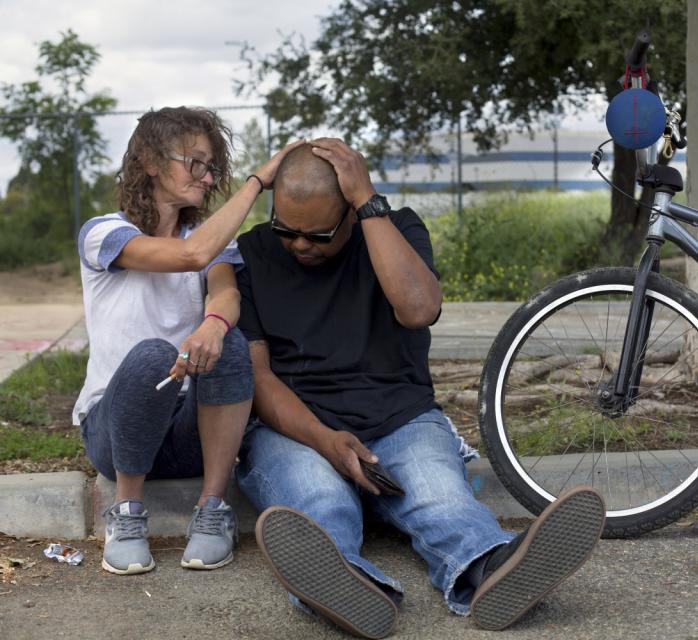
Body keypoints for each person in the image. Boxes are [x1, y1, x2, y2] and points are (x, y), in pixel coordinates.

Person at [234, 139, 606, 639]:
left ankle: (492, 568)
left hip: (398, 418)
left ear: (351, 210)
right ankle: (349, 588)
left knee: (441, 499)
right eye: (287, 230)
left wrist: (369, 201)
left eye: (318, 234)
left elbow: (417, 310)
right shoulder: (253, 253)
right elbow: (259, 378)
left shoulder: (396, 229)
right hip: (298, 429)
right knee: (320, 502)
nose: (299, 245)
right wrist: (328, 441)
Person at [73, 106, 301, 575]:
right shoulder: (104, 234)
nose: (206, 175)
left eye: (210, 165)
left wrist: (215, 323)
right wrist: (256, 183)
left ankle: (213, 510)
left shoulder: (209, 239)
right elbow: (191, 255)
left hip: (187, 434)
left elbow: (224, 290)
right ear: (151, 162)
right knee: (153, 355)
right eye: (194, 161)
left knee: (231, 340)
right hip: (114, 434)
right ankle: (128, 514)